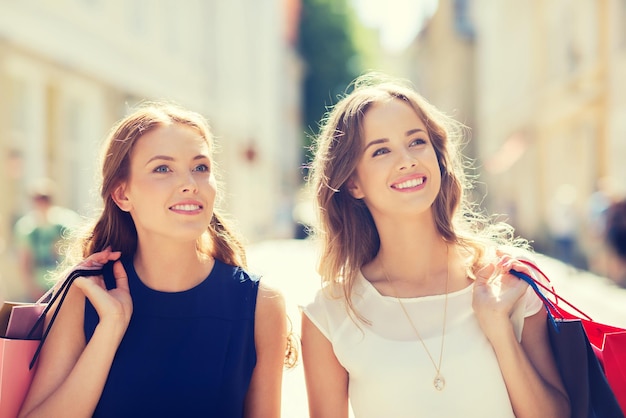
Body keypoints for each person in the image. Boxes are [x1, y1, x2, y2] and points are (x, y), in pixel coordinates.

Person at [301, 73, 570, 417]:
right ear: (353, 183)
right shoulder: (330, 314)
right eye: (381, 150)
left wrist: (499, 330)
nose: (407, 159)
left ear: (438, 156)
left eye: (416, 142)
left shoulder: (506, 280)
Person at [19, 101, 295, 417]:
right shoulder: (86, 295)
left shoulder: (260, 303)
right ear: (123, 195)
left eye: (201, 167)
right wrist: (109, 329)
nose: (190, 183)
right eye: (162, 168)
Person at [13, 178, 82, 301]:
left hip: (64, 284)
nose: (42, 203)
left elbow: (75, 255)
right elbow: (24, 261)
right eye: (38, 199)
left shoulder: (66, 223)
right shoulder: (27, 227)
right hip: (38, 287)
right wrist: (32, 288)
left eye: (45, 198)